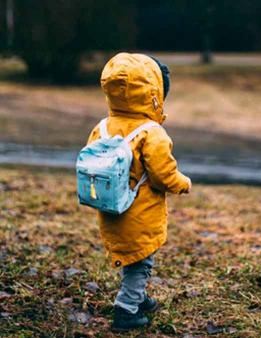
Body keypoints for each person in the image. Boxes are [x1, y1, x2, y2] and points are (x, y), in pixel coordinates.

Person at [85, 53, 192, 331]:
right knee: (141, 263)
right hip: (140, 213)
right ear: (154, 95)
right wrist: (182, 183)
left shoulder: (102, 127)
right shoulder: (151, 132)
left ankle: (139, 297)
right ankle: (126, 309)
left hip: (111, 210)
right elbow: (162, 173)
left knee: (133, 259)